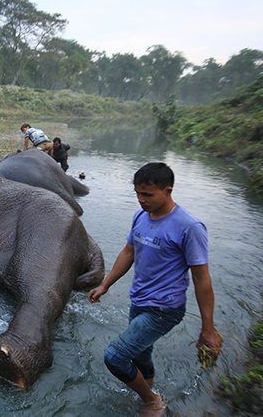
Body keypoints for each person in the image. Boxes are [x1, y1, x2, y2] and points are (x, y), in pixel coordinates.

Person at [87, 162, 222, 415]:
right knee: (139, 355)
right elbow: (129, 252)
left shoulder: (189, 227)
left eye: (147, 194)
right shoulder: (140, 216)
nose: (141, 200)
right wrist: (105, 285)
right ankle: (143, 392)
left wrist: (208, 328)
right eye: (138, 193)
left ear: (168, 190)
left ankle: (152, 400)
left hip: (164, 309)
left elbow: (202, 280)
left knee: (115, 356)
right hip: (139, 301)